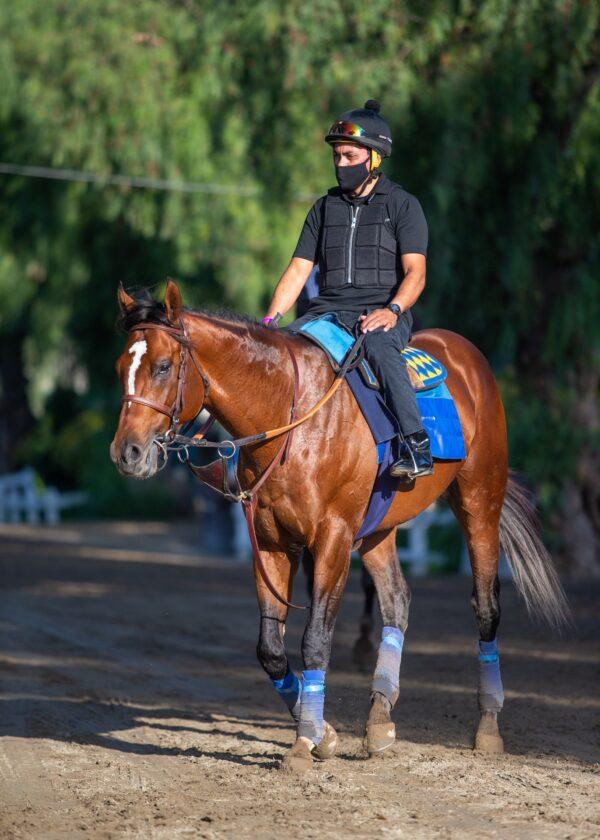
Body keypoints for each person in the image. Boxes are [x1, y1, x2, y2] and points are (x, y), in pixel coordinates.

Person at [262, 99, 433, 478]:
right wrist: (271, 320)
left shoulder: (403, 206)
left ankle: (416, 444)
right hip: (324, 313)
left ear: (374, 158)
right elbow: (297, 270)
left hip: (382, 312)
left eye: (349, 156)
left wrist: (392, 311)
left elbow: (415, 274)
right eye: (336, 156)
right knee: (281, 354)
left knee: (377, 346)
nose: (341, 165)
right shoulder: (324, 209)